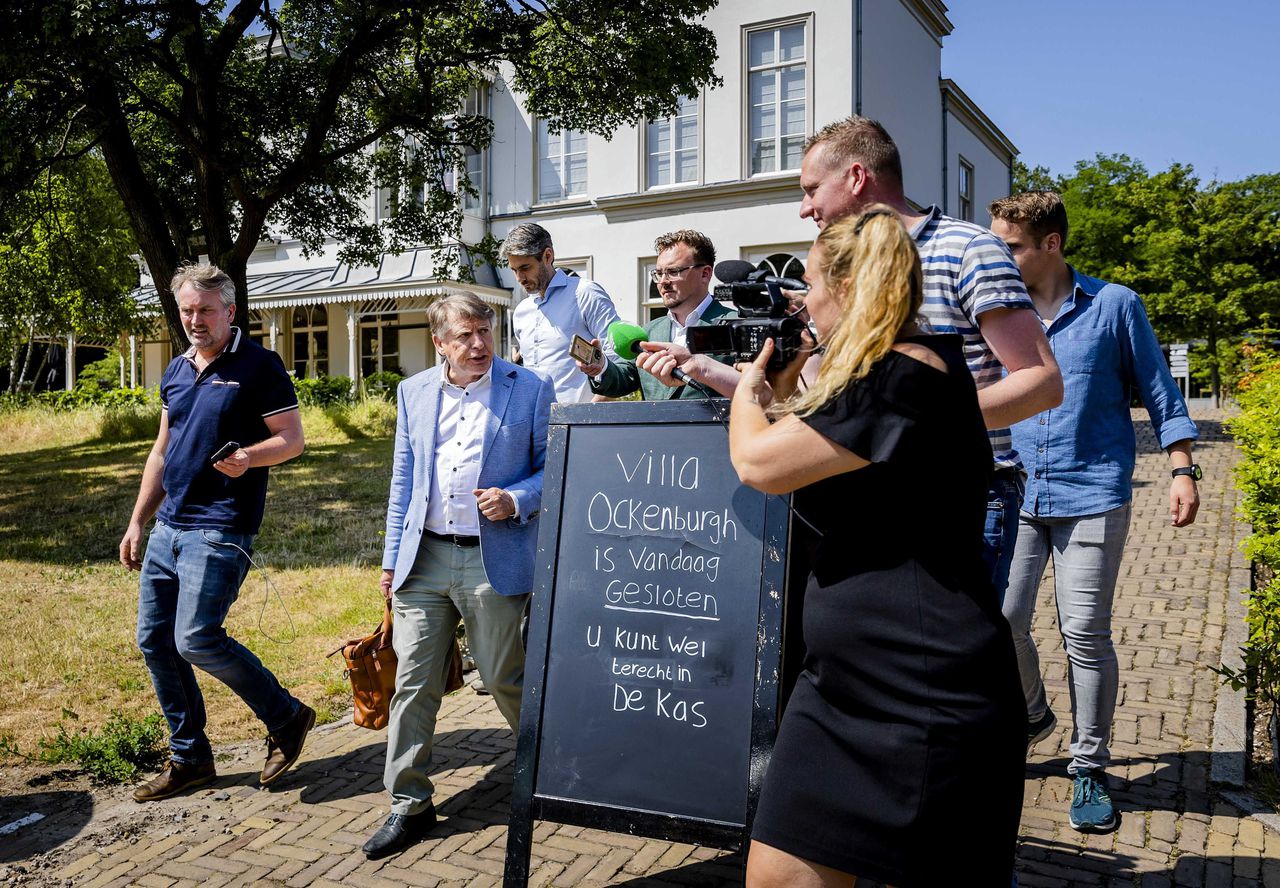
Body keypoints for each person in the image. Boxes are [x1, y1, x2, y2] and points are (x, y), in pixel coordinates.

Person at [730, 208, 1024, 888]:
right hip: (839, 688)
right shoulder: (892, 372)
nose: (803, 302)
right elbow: (801, 446)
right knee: (775, 877)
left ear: (850, 286)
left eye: (808, 284)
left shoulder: (903, 377)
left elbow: (759, 464)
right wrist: (777, 392)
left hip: (919, 691)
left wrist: (749, 388)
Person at [989, 191, 1199, 832]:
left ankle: (1088, 766)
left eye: (1012, 245)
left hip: (1093, 492)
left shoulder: (1114, 306)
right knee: (1001, 620)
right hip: (1015, 490)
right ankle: (1031, 714)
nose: (999, 255)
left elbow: (1161, 391)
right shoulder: (1000, 311)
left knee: (1084, 634)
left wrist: (1182, 468)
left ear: (1051, 244)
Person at [798, 116, 1063, 600]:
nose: (804, 208)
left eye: (812, 189)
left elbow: (1041, 381)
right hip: (869, 497)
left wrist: (911, 425)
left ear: (857, 178)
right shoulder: (839, 268)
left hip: (965, 499)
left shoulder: (968, 249)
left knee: (967, 661)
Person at [363, 292, 555, 860]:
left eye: (485, 332)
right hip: (423, 559)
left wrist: (517, 498)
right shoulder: (413, 392)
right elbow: (404, 482)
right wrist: (391, 559)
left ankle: (550, 767)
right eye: (465, 336)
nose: (478, 345)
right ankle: (408, 802)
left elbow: (554, 464)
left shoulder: (529, 387)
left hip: (491, 558)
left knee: (501, 677)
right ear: (440, 342)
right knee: (412, 683)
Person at [119, 264, 312, 802]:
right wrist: (138, 519)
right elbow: (162, 451)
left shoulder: (258, 366)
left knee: (196, 637)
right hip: (169, 525)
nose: (195, 320)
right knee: (156, 641)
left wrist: (249, 457)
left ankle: (287, 716)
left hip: (220, 525)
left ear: (230, 311)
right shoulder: (177, 370)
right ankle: (190, 758)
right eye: (186, 310)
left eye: (206, 310)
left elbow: (292, 439)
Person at [581, 229, 737, 400]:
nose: (663, 281)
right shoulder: (648, 331)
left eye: (674, 271)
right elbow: (625, 378)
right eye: (659, 273)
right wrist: (600, 367)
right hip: (657, 427)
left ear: (705, 274)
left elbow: (756, 389)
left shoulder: (736, 326)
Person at [501, 222, 621, 403]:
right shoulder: (521, 312)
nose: (519, 278)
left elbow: (618, 362)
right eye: (514, 270)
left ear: (547, 256)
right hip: (532, 424)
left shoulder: (585, 294)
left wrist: (586, 416)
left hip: (580, 425)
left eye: (525, 268)